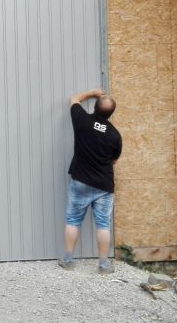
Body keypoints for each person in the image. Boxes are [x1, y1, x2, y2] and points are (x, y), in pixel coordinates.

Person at [58, 88, 122, 273]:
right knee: (103, 224)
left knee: (73, 220)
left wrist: (94, 92)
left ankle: (68, 261)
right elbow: (114, 160)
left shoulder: (82, 120)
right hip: (103, 185)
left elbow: (74, 98)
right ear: (111, 113)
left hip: (81, 182)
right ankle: (103, 265)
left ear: (95, 107)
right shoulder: (115, 135)